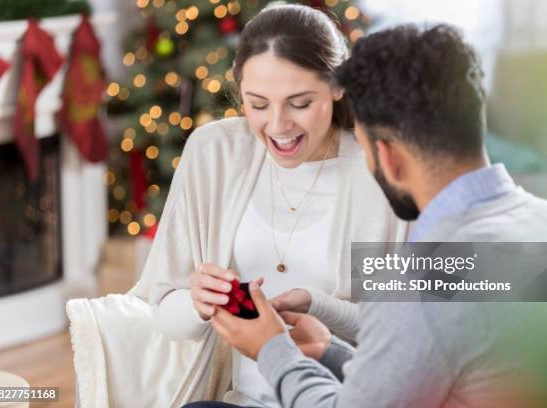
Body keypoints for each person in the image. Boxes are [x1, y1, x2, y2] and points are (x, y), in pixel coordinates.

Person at [205, 24, 547, 408]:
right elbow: (459, 354)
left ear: (390, 158)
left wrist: (272, 349)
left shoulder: (421, 278)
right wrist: (330, 351)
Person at [130, 4, 407, 407]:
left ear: (337, 86)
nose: (277, 126)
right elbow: (163, 315)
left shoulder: (381, 174)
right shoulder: (215, 154)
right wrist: (197, 303)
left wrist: (320, 307)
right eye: (258, 104)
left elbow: (411, 336)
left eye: (299, 103)